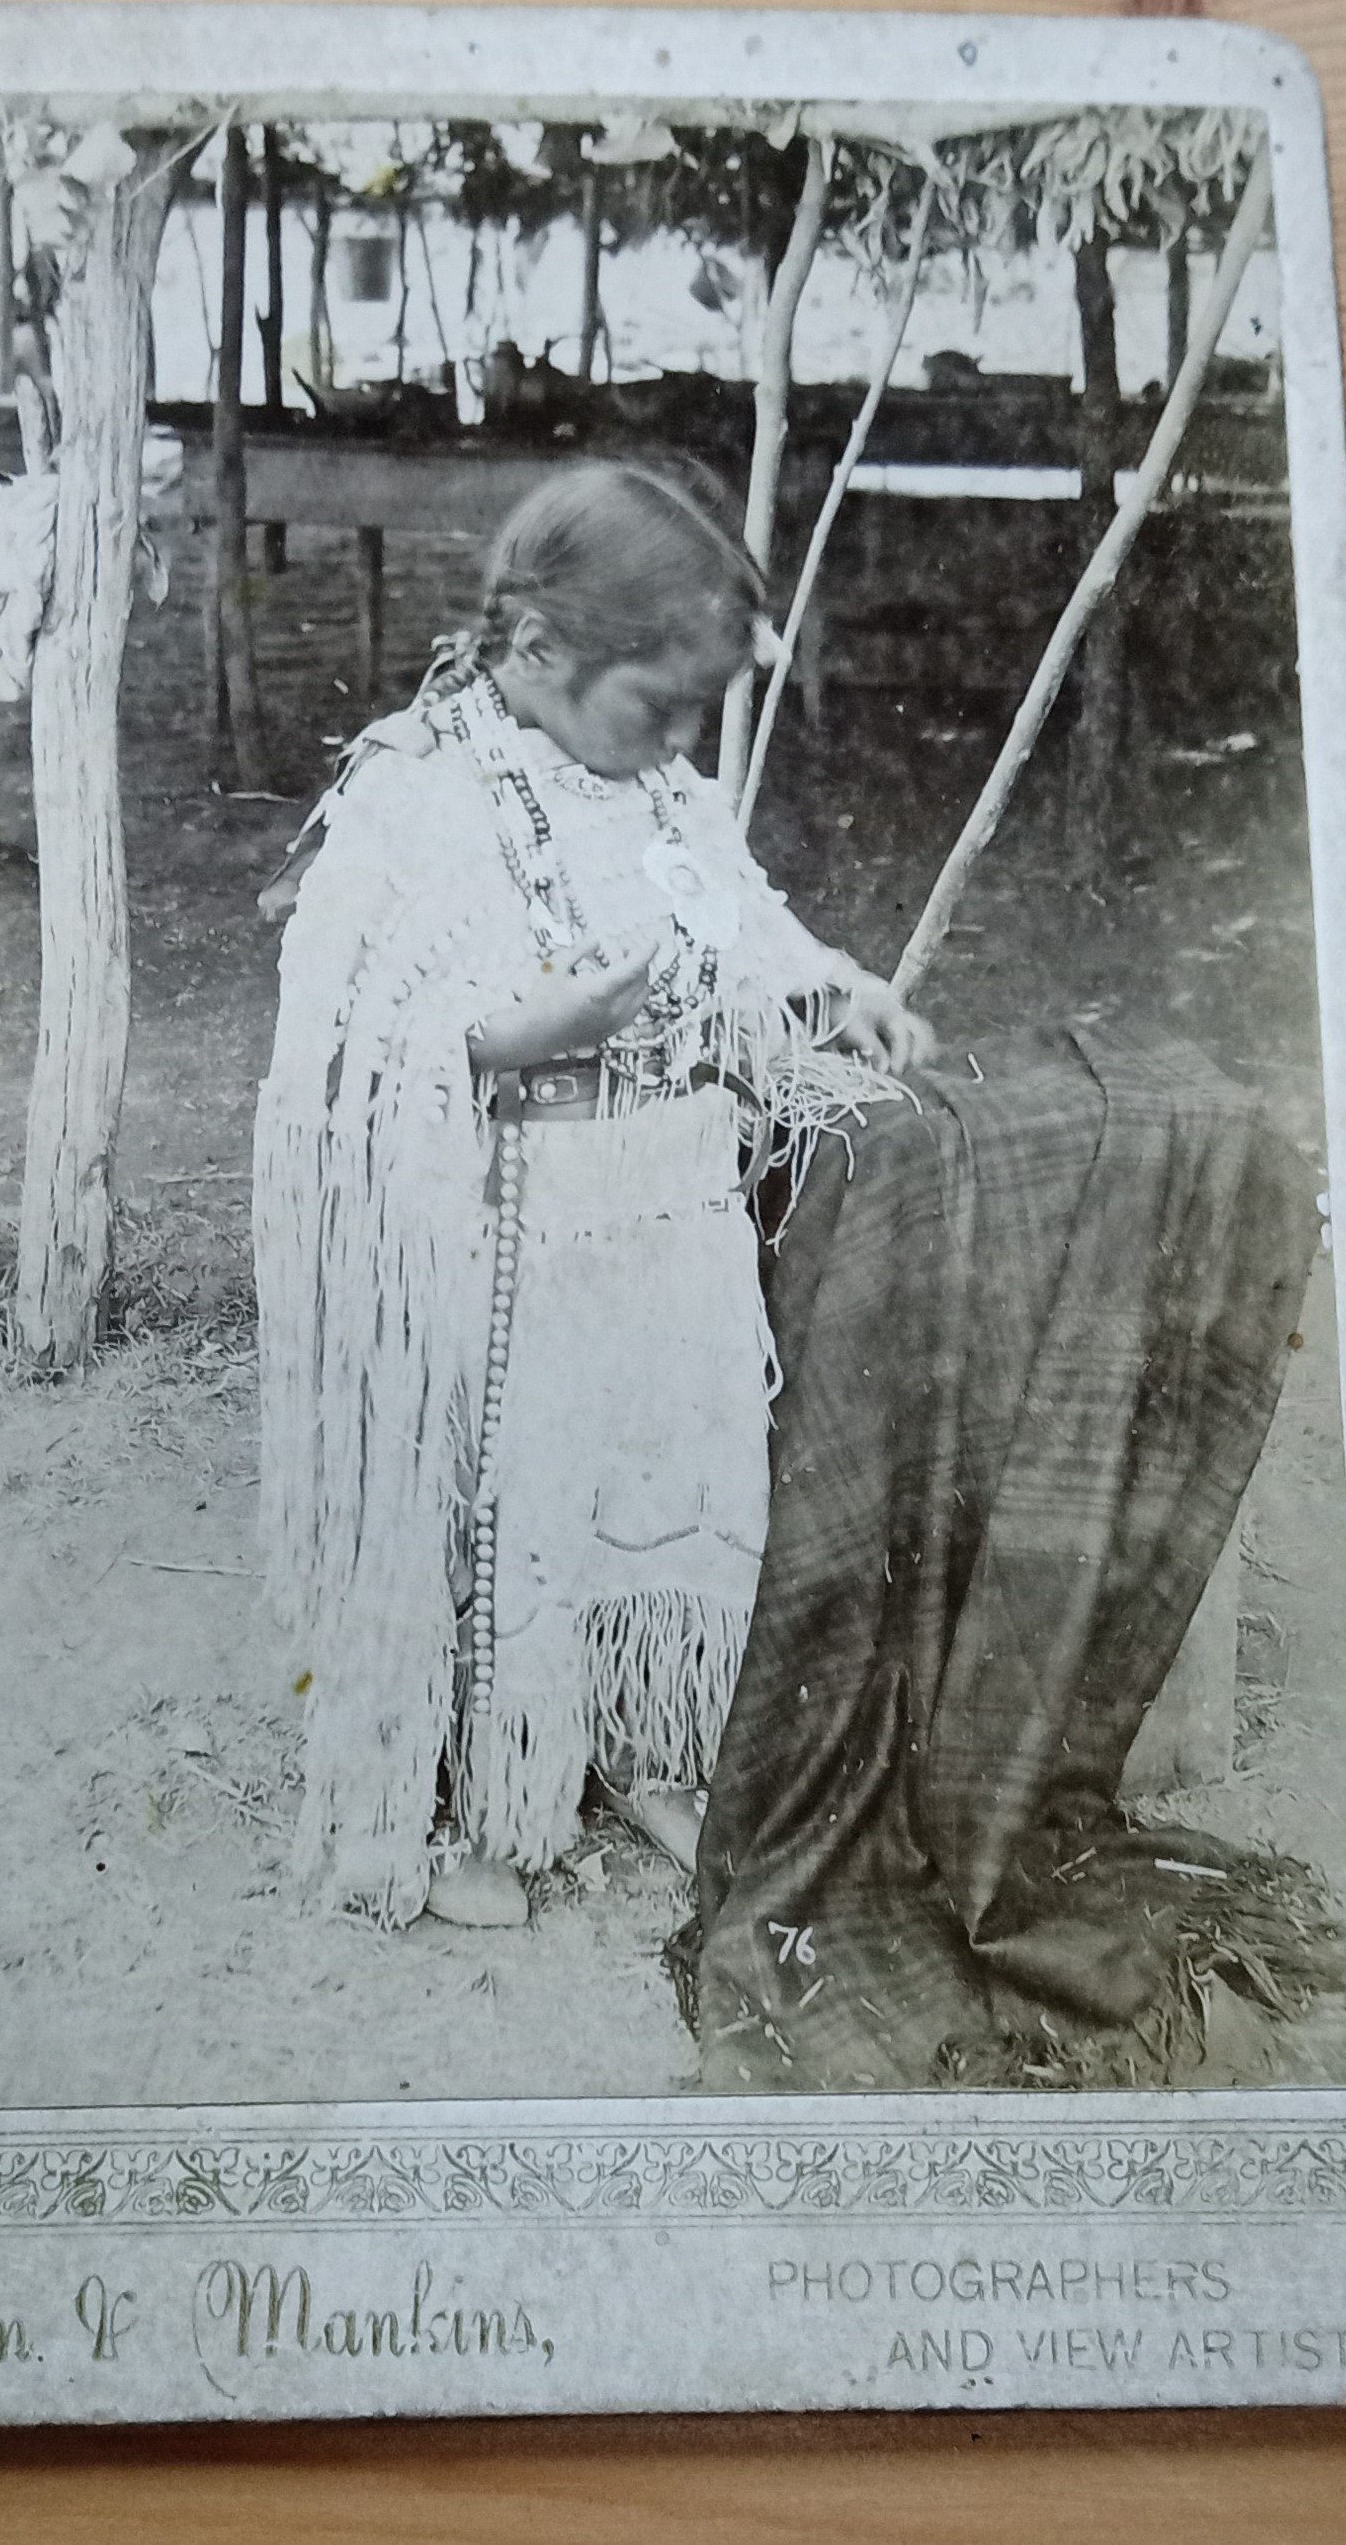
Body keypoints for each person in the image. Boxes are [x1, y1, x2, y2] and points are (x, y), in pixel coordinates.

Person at [253, 461, 933, 1931]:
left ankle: (637, 1730)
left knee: (664, 1475)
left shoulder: (661, 793)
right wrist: (515, 1035)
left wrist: (836, 989)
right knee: (519, 1503)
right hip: (506, 1233)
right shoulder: (419, 793)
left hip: (667, 1215)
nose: (680, 744)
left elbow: (744, 927)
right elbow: (344, 1036)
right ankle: (479, 1792)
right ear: (542, 649)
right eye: (658, 708)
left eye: (696, 717)